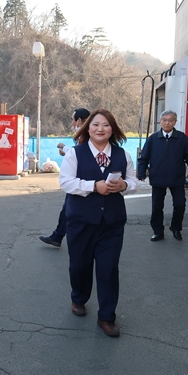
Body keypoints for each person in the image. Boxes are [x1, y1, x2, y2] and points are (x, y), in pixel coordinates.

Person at [59, 109, 139, 338]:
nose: (100, 129)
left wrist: (124, 186)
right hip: (80, 222)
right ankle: (78, 298)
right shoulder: (75, 154)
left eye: (105, 125)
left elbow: (134, 181)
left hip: (112, 223)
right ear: (88, 128)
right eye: (95, 125)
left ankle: (106, 316)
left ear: (112, 129)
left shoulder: (123, 155)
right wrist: (94, 186)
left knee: (108, 269)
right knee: (79, 266)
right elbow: (66, 182)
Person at [136, 110, 188, 242]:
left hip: (177, 178)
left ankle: (176, 228)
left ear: (175, 122)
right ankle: (158, 231)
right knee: (157, 207)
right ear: (160, 121)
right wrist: (141, 173)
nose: (167, 123)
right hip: (158, 178)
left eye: (170, 120)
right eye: (164, 120)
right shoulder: (153, 139)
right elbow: (144, 158)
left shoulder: (182, 138)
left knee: (180, 204)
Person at [39, 108, 90, 247]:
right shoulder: (83, 134)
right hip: (79, 179)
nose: (72, 123)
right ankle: (57, 236)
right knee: (67, 209)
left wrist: (65, 148)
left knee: (71, 210)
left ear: (79, 120)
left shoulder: (86, 134)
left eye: (73, 119)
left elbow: (80, 154)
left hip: (82, 180)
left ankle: (71, 238)